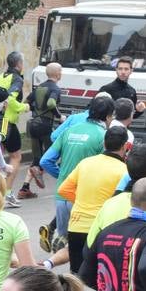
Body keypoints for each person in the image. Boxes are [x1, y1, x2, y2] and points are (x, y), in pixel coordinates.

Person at [42, 94, 113, 250]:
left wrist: (62, 175)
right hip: (84, 199)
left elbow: (45, 161)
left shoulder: (69, 131)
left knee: (66, 245)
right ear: (108, 116)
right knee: (84, 248)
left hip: (62, 195)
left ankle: (59, 252)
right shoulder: (103, 136)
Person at [57, 125, 132, 273]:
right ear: (125, 146)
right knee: (104, 278)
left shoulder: (86, 163)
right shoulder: (124, 170)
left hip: (77, 226)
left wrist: (81, 200)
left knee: (76, 277)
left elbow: (63, 190)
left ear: (104, 144)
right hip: (103, 229)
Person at [0, 52, 29, 198]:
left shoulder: (1, 76)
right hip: (8, 121)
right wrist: (23, 107)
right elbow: (10, 99)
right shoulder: (17, 79)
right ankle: (6, 193)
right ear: (19, 64)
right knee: (16, 156)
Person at [24, 62, 63, 197]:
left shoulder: (39, 87)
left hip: (33, 125)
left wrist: (36, 111)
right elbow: (51, 103)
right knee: (55, 152)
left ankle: (24, 188)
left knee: (37, 157)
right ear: (58, 74)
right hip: (45, 125)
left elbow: (26, 102)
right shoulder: (55, 89)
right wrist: (60, 117)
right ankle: (61, 181)